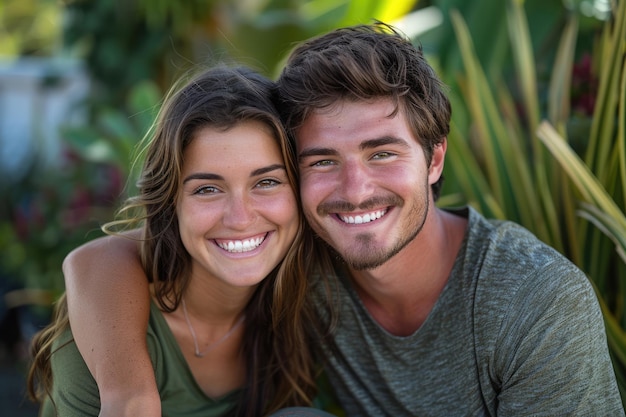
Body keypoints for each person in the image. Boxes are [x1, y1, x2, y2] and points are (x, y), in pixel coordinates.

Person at [58, 23, 624, 416]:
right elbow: (102, 258)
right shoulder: (304, 256)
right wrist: (133, 398)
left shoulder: (535, 302)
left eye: (382, 153)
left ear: (435, 158)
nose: (354, 192)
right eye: (323, 161)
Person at [26, 65, 336, 417]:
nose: (240, 218)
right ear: (171, 204)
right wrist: (134, 400)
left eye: (266, 182)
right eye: (207, 189)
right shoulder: (107, 338)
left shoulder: (301, 308)